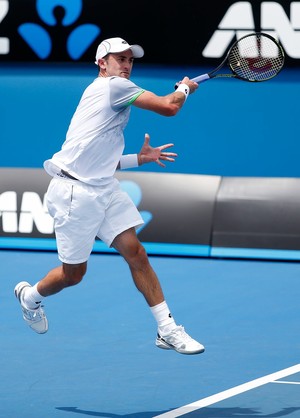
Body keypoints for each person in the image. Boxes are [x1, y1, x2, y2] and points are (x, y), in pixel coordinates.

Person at [14, 37, 205, 355]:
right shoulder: (112, 86)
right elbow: (170, 106)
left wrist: (137, 159)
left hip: (103, 187)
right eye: (120, 59)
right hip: (74, 193)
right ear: (102, 63)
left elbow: (96, 157)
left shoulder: (111, 92)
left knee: (137, 254)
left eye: (130, 60)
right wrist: (184, 88)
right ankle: (30, 296)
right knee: (73, 275)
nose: (127, 64)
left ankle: (167, 328)